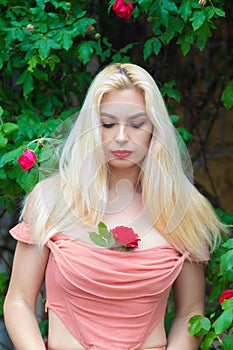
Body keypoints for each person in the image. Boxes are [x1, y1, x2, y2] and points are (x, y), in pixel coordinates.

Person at [4, 63, 225, 350]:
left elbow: (190, 313)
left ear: (155, 128)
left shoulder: (185, 208)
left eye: (136, 124)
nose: (121, 136)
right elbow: (19, 299)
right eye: (107, 124)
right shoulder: (51, 199)